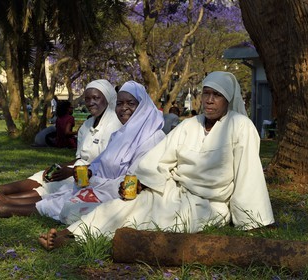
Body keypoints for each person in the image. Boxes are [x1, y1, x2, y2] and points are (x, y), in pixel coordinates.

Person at [39, 71, 275, 250]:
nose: (210, 100)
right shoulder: (189, 125)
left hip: (208, 203)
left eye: (217, 95)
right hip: (172, 190)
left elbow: (248, 175)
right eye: (206, 94)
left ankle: (94, 239)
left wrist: (251, 219)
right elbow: (160, 158)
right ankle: (72, 235)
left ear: (228, 99)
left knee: (156, 219)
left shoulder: (240, 126)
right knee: (125, 205)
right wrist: (141, 182)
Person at [0, 81, 165, 221]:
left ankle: (3, 207)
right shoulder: (122, 134)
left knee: (68, 199)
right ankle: (5, 202)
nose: (123, 108)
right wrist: (90, 172)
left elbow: (140, 178)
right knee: (65, 193)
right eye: (120, 103)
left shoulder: (153, 138)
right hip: (98, 182)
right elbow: (99, 163)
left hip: (119, 193)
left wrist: (92, 177)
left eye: (130, 103)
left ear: (143, 106)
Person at [0, 79, 122, 206]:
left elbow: (107, 166)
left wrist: (70, 172)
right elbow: (80, 157)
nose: (90, 103)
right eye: (87, 99)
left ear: (108, 98)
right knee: (44, 175)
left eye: (96, 98)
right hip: (79, 168)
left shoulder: (116, 126)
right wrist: (62, 166)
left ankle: (5, 201)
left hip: (98, 176)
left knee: (57, 185)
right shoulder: (87, 125)